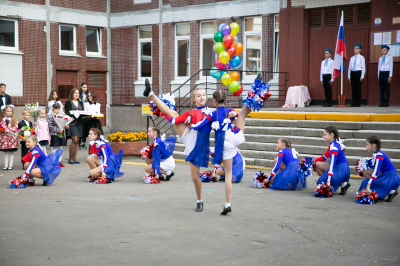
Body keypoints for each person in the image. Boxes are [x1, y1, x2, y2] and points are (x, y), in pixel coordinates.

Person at [143, 80, 214, 212]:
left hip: (201, 144)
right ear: (194, 99)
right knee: (174, 115)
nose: (202, 97)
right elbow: (174, 121)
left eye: (203, 95)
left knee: (195, 176)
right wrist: (162, 113)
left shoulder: (211, 111)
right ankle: (151, 94)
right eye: (198, 95)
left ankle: (199, 200)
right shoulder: (191, 113)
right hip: (190, 140)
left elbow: (223, 116)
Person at [191, 89, 249, 215]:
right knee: (228, 175)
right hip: (231, 139)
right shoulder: (230, 111)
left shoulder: (212, 114)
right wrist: (234, 114)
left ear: (214, 100)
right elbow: (235, 115)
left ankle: (227, 205)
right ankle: (228, 204)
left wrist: (190, 125)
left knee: (226, 173)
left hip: (220, 144)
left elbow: (198, 126)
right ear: (224, 99)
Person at [358, 136, 400, 202]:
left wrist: (368, 185)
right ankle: (388, 191)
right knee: (366, 172)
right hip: (389, 175)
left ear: (373, 145)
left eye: (367, 145)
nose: (366, 147)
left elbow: (376, 171)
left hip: (391, 177)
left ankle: (378, 192)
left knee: (365, 183)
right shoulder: (376, 154)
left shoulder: (379, 155)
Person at [314, 126, 350, 195]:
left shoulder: (334, 147)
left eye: (325, 135)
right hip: (342, 168)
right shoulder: (334, 143)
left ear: (331, 135)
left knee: (318, 180)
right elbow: (324, 157)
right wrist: (312, 161)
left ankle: (329, 184)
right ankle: (343, 184)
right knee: (317, 164)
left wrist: (328, 181)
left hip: (339, 169)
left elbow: (332, 164)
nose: (323, 136)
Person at [65, 88, 84, 164]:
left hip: (79, 122)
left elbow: (83, 111)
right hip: (72, 122)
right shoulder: (68, 102)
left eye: (78, 93)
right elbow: (66, 112)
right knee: (74, 140)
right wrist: (73, 112)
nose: (77, 94)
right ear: (72, 94)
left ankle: (75, 158)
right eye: (75, 93)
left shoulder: (80, 102)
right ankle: (70, 158)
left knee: (78, 141)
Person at [0, 105, 18, 170]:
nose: (9, 112)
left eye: (10, 111)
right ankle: (5, 165)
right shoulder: (1, 119)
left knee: (11, 152)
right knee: (6, 152)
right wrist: (5, 130)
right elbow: (2, 127)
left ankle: (10, 165)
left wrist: (7, 130)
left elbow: (15, 128)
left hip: (12, 138)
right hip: (4, 138)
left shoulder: (15, 119)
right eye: (7, 111)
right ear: (4, 111)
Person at [348, 43, 366, 107]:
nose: (355, 50)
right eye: (354, 49)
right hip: (352, 73)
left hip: (358, 72)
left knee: (358, 88)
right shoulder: (352, 58)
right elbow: (349, 67)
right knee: (353, 89)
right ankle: (353, 102)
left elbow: (363, 67)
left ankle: (358, 102)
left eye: (357, 49)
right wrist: (349, 76)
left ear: (360, 50)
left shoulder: (361, 58)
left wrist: (362, 76)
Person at [79, 82, 88, 150]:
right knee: (79, 128)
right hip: (79, 113)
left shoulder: (88, 95)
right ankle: (79, 143)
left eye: (86, 87)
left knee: (85, 128)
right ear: (81, 87)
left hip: (86, 113)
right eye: (84, 87)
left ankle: (83, 143)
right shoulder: (78, 95)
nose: (85, 88)